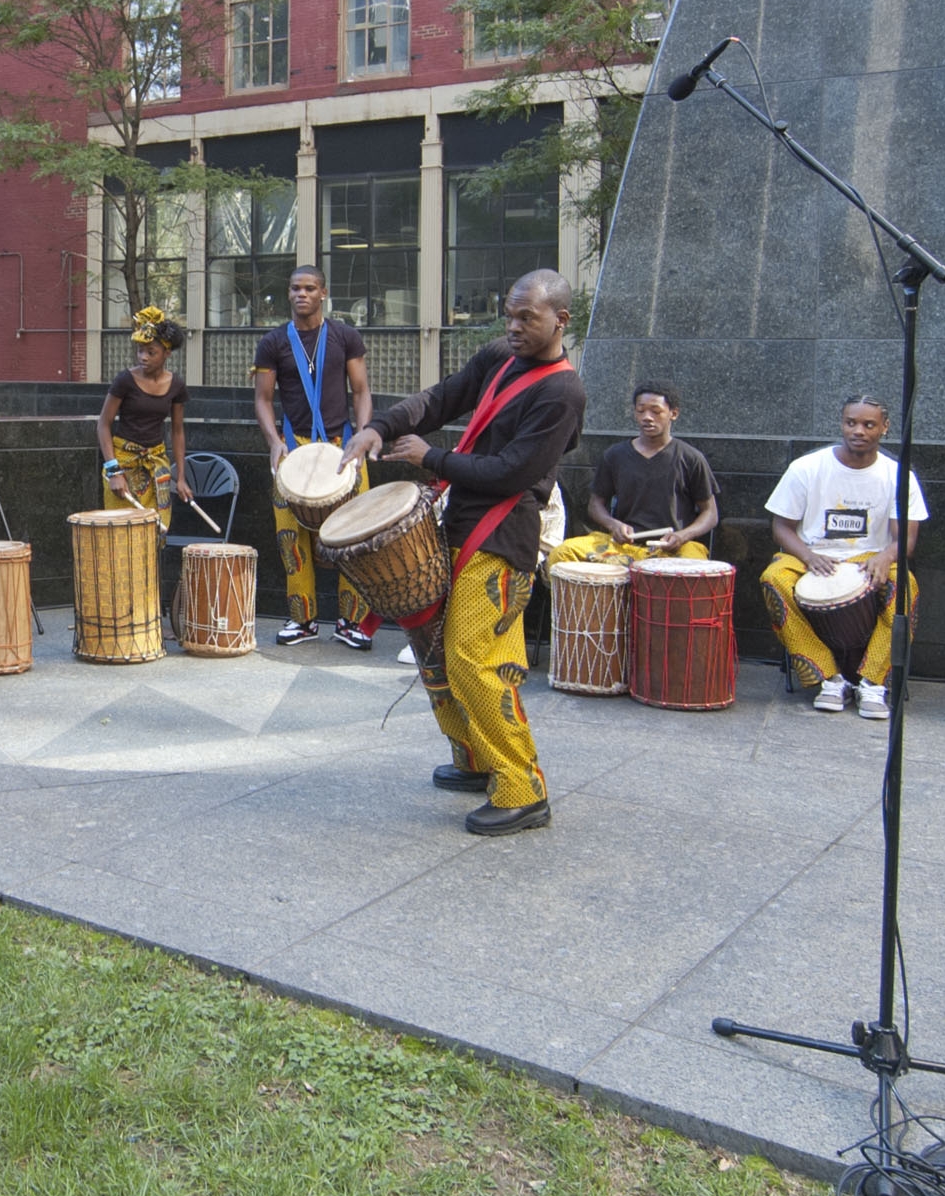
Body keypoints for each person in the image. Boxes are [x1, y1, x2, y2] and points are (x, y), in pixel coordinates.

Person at [344, 271, 585, 836]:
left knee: (473, 660)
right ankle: (476, 759)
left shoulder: (562, 391)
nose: (514, 326)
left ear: (560, 321)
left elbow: (511, 473)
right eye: (510, 313)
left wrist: (431, 458)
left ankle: (523, 788)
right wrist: (377, 428)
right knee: (434, 654)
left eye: (528, 318)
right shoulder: (500, 356)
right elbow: (439, 399)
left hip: (504, 538)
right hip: (459, 524)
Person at [759, 395, 927, 719]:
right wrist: (808, 557)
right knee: (773, 579)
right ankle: (827, 678)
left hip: (869, 557)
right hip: (812, 552)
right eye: (851, 423)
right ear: (842, 424)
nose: (858, 431)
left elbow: (905, 539)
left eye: (868, 424)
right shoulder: (807, 468)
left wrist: (882, 558)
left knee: (905, 586)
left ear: (885, 428)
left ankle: (873, 683)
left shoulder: (898, 475)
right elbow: (781, 527)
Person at [254, 265, 379, 649]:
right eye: (295, 288)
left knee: (354, 538)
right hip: (293, 451)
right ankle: (302, 621)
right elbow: (262, 398)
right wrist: (275, 442)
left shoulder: (345, 336)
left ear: (323, 293)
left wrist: (362, 436)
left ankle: (351, 622)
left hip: (342, 449)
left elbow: (360, 391)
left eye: (309, 288)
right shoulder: (273, 342)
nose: (301, 294)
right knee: (292, 542)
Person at [552, 382, 720, 565]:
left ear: (674, 413)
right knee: (562, 554)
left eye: (655, 411)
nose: (647, 417)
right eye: (641, 411)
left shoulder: (690, 458)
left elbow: (710, 513)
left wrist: (683, 535)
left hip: (672, 549)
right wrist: (613, 524)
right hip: (623, 547)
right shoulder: (615, 455)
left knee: (696, 566)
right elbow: (595, 505)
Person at [97, 307, 188, 515]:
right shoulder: (125, 380)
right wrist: (113, 471)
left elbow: (177, 431)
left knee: (157, 532)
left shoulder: (176, 385)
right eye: (140, 350)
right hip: (122, 465)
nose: (143, 357)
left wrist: (181, 477)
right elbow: (103, 424)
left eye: (150, 352)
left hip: (156, 464)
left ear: (167, 353)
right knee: (124, 536)